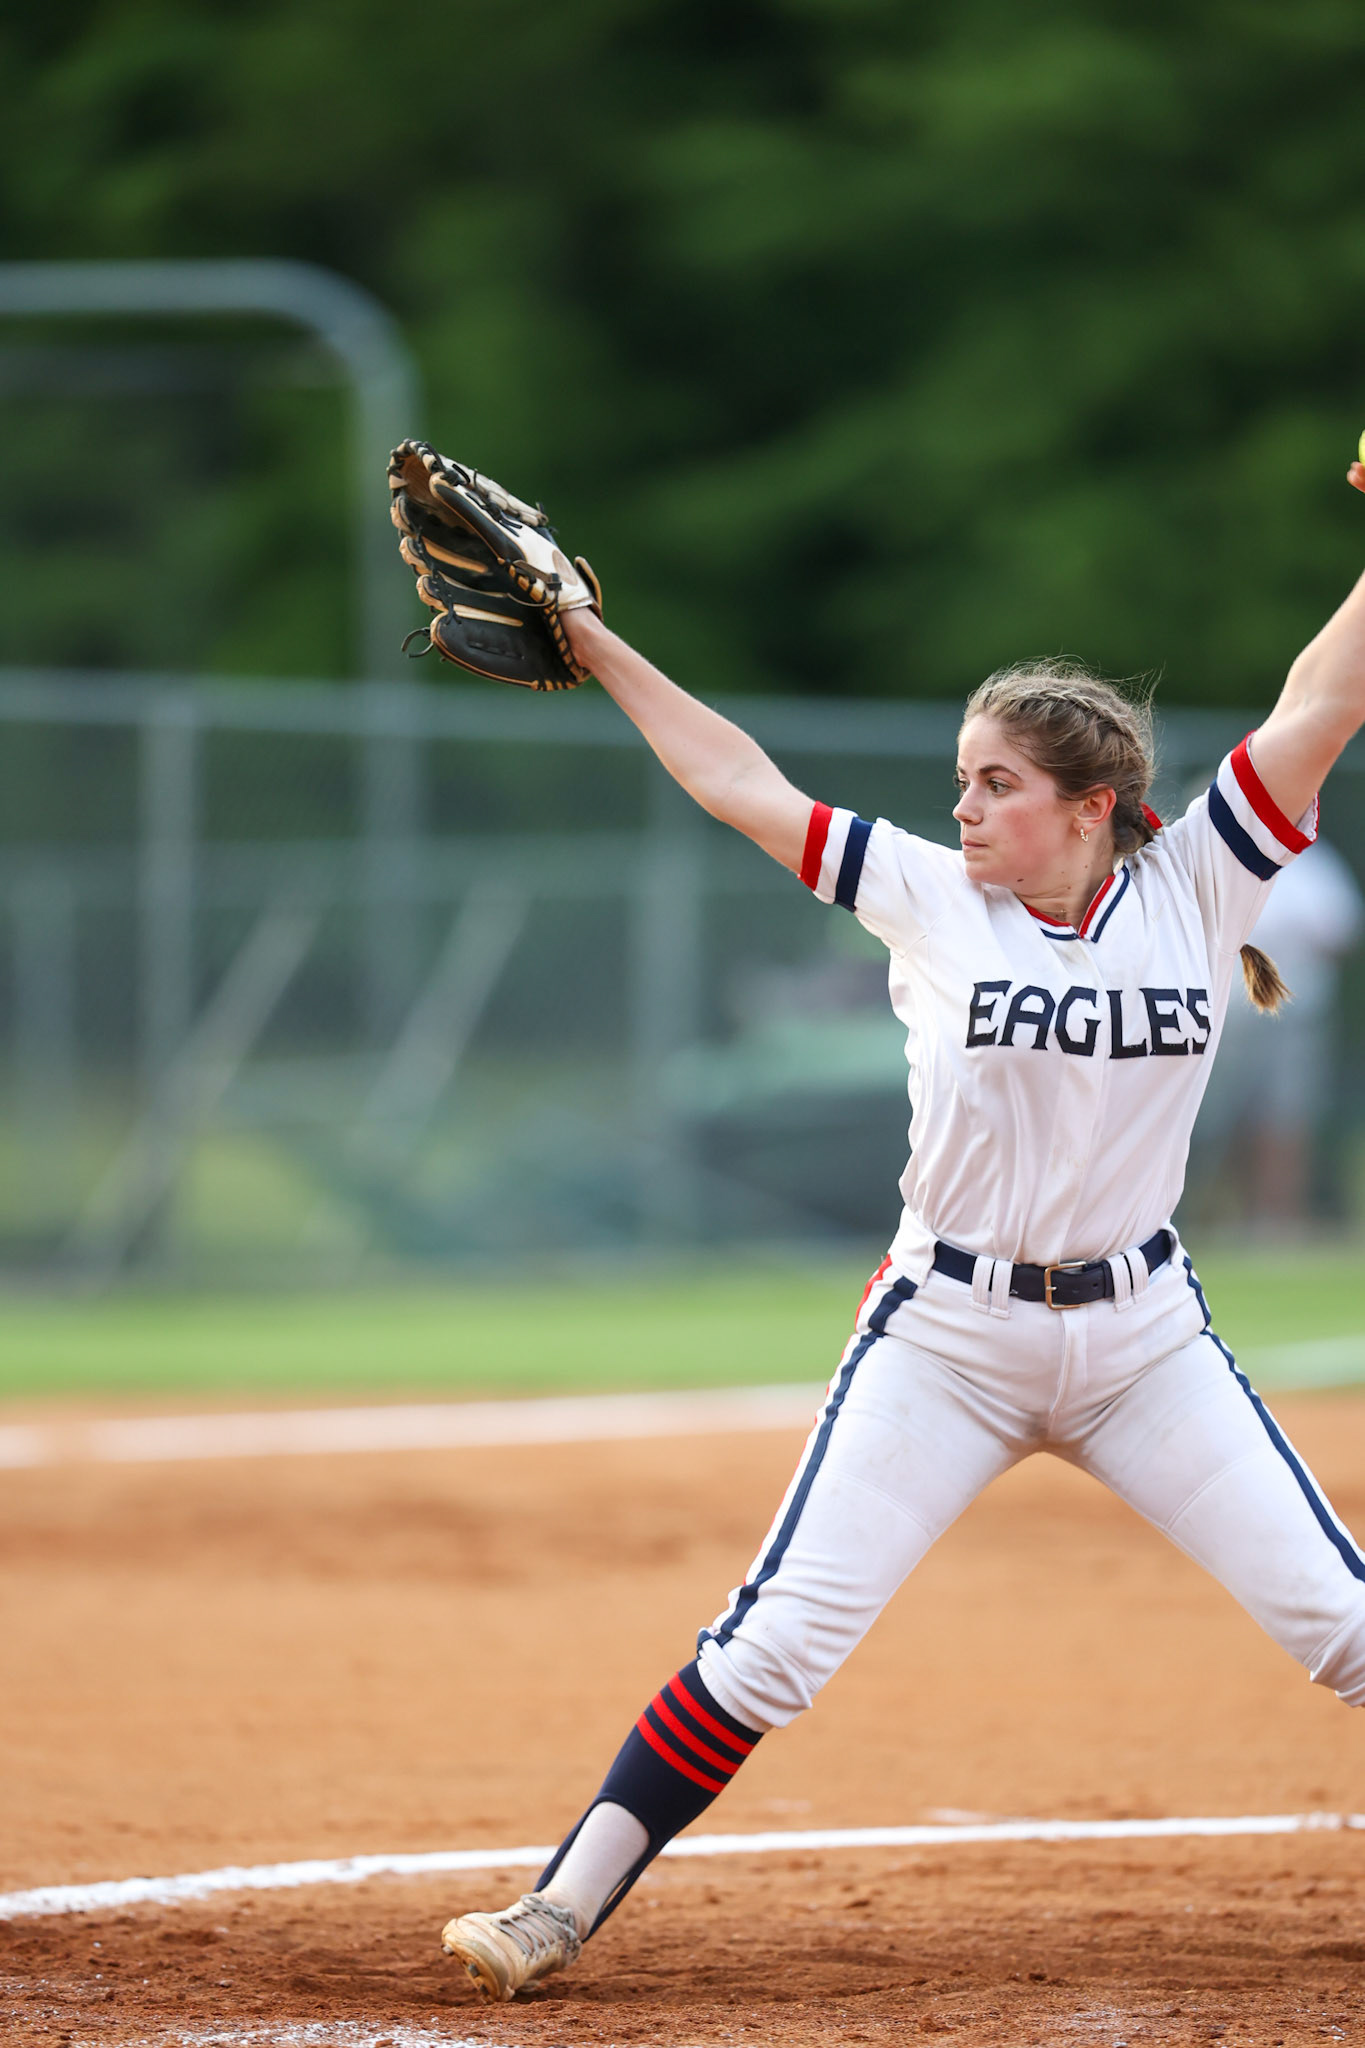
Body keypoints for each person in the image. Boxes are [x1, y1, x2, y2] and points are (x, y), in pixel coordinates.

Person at [440, 456, 1365, 2003]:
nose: (963, 803)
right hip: (945, 1335)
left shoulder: (1202, 884)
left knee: (1343, 1622)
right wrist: (592, 641)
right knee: (777, 1640)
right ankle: (558, 1908)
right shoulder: (932, 896)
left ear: (1089, 806)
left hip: (1143, 1341)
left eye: (995, 782)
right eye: (959, 778)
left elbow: (1323, 697)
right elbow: (740, 780)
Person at [1190, 833, 1362, 1228]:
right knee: (1214, 1118)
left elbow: (1341, 932)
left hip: (1296, 1017)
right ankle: (1210, 1213)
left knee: (1285, 1117)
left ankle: (1275, 1218)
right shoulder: (1215, 849)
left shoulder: (1313, 862)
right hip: (1226, 1017)